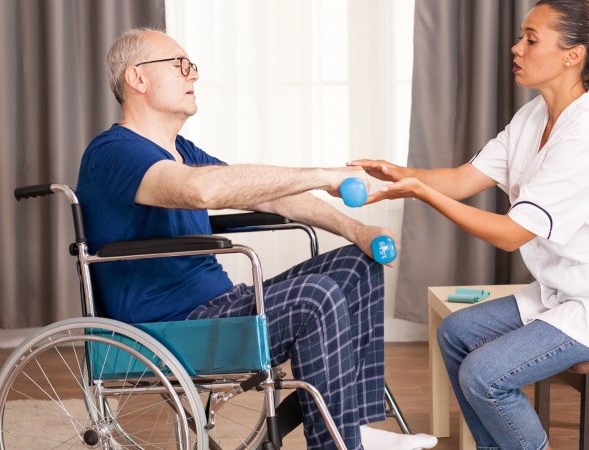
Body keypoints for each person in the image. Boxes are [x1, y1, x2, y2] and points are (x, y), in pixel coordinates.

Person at [75, 28, 437, 450]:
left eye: (191, 66)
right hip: (170, 327)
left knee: (357, 263)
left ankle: (353, 428)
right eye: (180, 65)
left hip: (215, 307)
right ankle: (339, 443)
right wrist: (324, 175)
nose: (193, 76)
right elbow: (202, 191)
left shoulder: (181, 149)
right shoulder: (114, 151)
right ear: (137, 78)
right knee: (314, 297)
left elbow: (269, 192)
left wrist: (355, 229)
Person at [351, 1, 589, 449]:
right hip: (566, 290)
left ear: (572, 55)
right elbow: (465, 179)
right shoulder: (535, 116)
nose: (516, 47)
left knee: (485, 375)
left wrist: (424, 194)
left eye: (530, 39)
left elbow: (510, 235)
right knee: (455, 334)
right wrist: (407, 176)